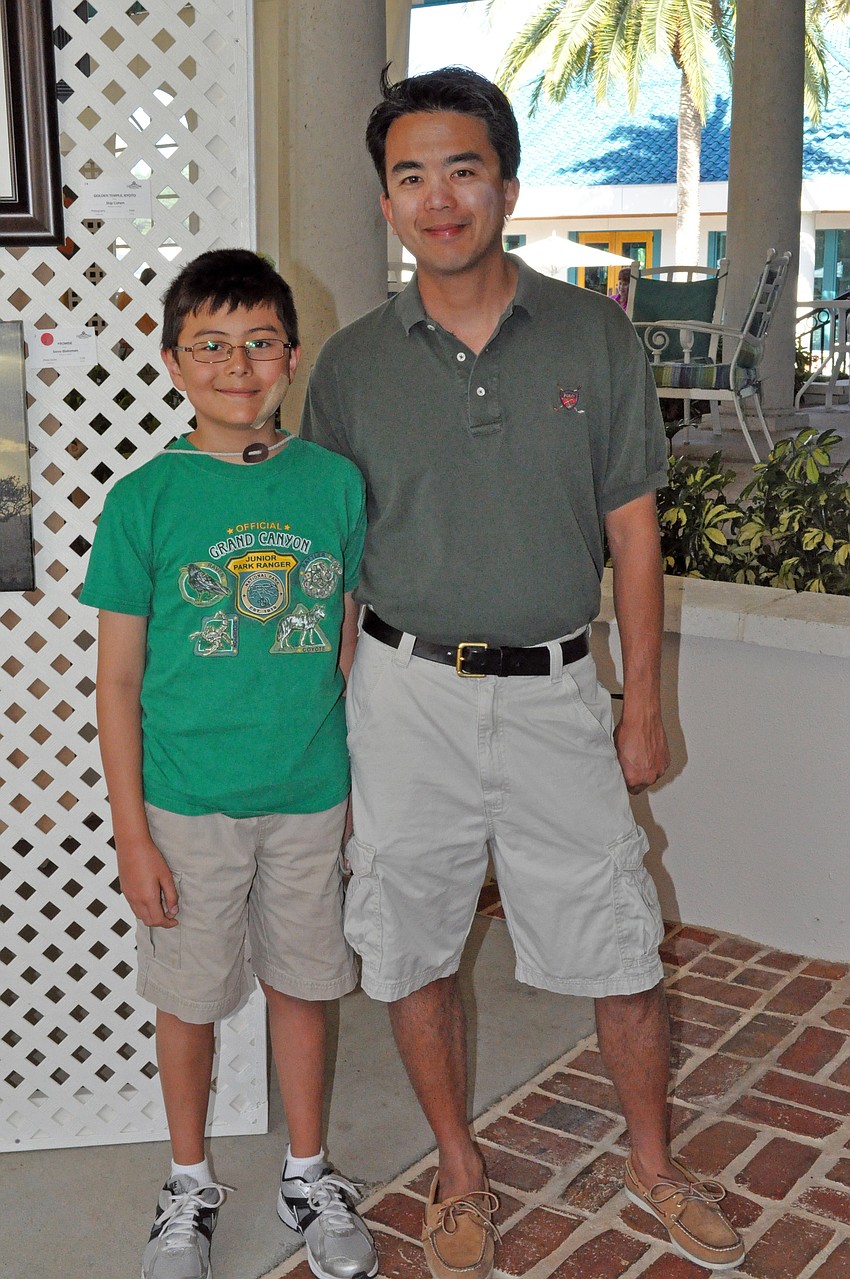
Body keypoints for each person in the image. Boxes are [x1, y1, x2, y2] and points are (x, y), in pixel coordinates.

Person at [301, 68, 745, 1279]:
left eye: (462, 169)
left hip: (556, 692)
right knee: (410, 944)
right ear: (386, 200)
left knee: (619, 936)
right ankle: (458, 1170)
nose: (438, 197)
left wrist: (641, 702)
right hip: (402, 696)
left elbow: (634, 531)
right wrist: (326, 719)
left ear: (505, 183)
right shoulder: (347, 367)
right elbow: (334, 563)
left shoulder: (594, 336)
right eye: (410, 176)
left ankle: (653, 1162)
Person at [80, 249, 378, 1279]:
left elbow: (346, 644)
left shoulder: (334, 484)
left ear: (291, 356)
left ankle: (307, 1171)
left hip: (310, 795)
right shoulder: (146, 499)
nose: (236, 366)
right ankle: (188, 1180)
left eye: (258, 343)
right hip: (185, 804)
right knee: (190, 999)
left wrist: (357, 787)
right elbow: (118, 682)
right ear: (173, 362)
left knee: (305, 985)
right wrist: (132, 834)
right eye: (210, 345)